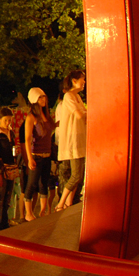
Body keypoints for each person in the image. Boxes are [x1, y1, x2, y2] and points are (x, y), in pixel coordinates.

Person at [23, 87, 56, 221]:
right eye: (40, 97)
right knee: (32, 184)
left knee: (44, 184)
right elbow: (27, 139)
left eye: (44, 97)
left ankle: (43, 211)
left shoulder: (46, 115)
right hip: (36, 155)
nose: (43, 100)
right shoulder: (31, 117)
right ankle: (28, 213)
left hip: (47, 155)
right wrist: (29, 158)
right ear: (34, 100)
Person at [56, 70, 87, 211]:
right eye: (82, 79)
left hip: (79, 140)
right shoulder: (69, 96)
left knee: (79, 176)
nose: (84, 82)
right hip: (72, 141)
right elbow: (80, 115)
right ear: (74, 81)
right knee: (76, 175)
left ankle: (67, 203)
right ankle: (61, 204)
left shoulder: (77, 97)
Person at [0, 108, 18, 230]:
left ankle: (5, 223)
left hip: (11, 168)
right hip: (2, 170)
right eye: (5, 120)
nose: (8, 123)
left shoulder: (11, 133)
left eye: (10, 120)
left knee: (8, 198)